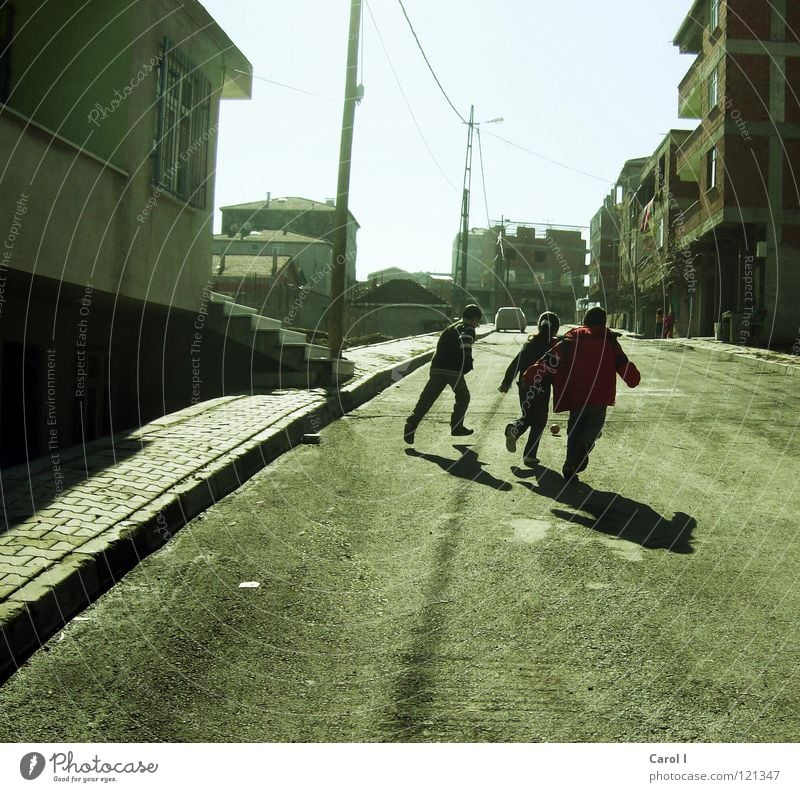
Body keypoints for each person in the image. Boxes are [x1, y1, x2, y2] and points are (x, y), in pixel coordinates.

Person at [522, 306, 641, 481]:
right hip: (600, 396)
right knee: (593, 427)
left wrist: (532, 373)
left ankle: (570, 465)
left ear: (584, 321)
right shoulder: (609, 341)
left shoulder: (570, 341)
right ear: (603, 322)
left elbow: (550, 359)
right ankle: (584, 445)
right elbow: (623, 364)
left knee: (574, 430)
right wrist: (633, 378)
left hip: (576, 395)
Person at [404, 304, 483, 444]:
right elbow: (465, 342)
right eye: (477, 321)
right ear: (474, 319)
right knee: (463, 396)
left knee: (427, 398)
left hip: (436, 367)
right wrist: (468, 362)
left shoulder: (450, 328)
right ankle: (457, 426)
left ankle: (412, 423)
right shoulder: (468, 328)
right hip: (453, 369)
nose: (477, 325)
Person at [498, 311, 560, 466]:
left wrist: (507, 382)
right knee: (539, 420)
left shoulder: (530, 344)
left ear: (539, 326)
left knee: (527, 416)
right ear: (556, 329)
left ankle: (514, 429)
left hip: (525, 386)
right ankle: (530, 455)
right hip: (542, 388)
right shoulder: (555, 346)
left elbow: (516, 363)